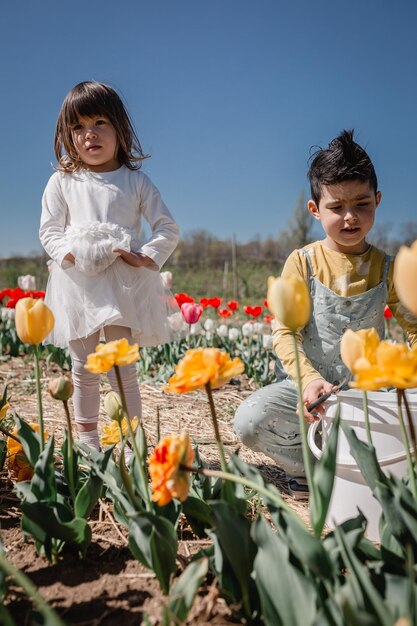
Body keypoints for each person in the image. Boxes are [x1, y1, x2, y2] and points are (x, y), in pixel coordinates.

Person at [233, 129, 417, 494]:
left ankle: (367, 471)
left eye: (361, 204)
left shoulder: (388, 268)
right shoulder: (302, 262)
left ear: (377, 201)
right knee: (251, 420)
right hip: (309, 393)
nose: (350, 218)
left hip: (370, 393)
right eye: (336, 207)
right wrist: (308, 379)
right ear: (315, 210)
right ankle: (311, 469)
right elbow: (285, 331)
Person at [40, 81, 179, 451]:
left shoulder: (135, 182)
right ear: (67, 136)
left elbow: (167, 227)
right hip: (79, 284)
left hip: (125, 283)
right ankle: (87, 443)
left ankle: (132, 443)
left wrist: (145, 256)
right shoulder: (62, 182)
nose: (89, 135)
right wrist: (71, 255)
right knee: (83, 367)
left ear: (120, 126)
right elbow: (49, 231)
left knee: (122, 368)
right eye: (78, 127)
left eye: (99, 122)